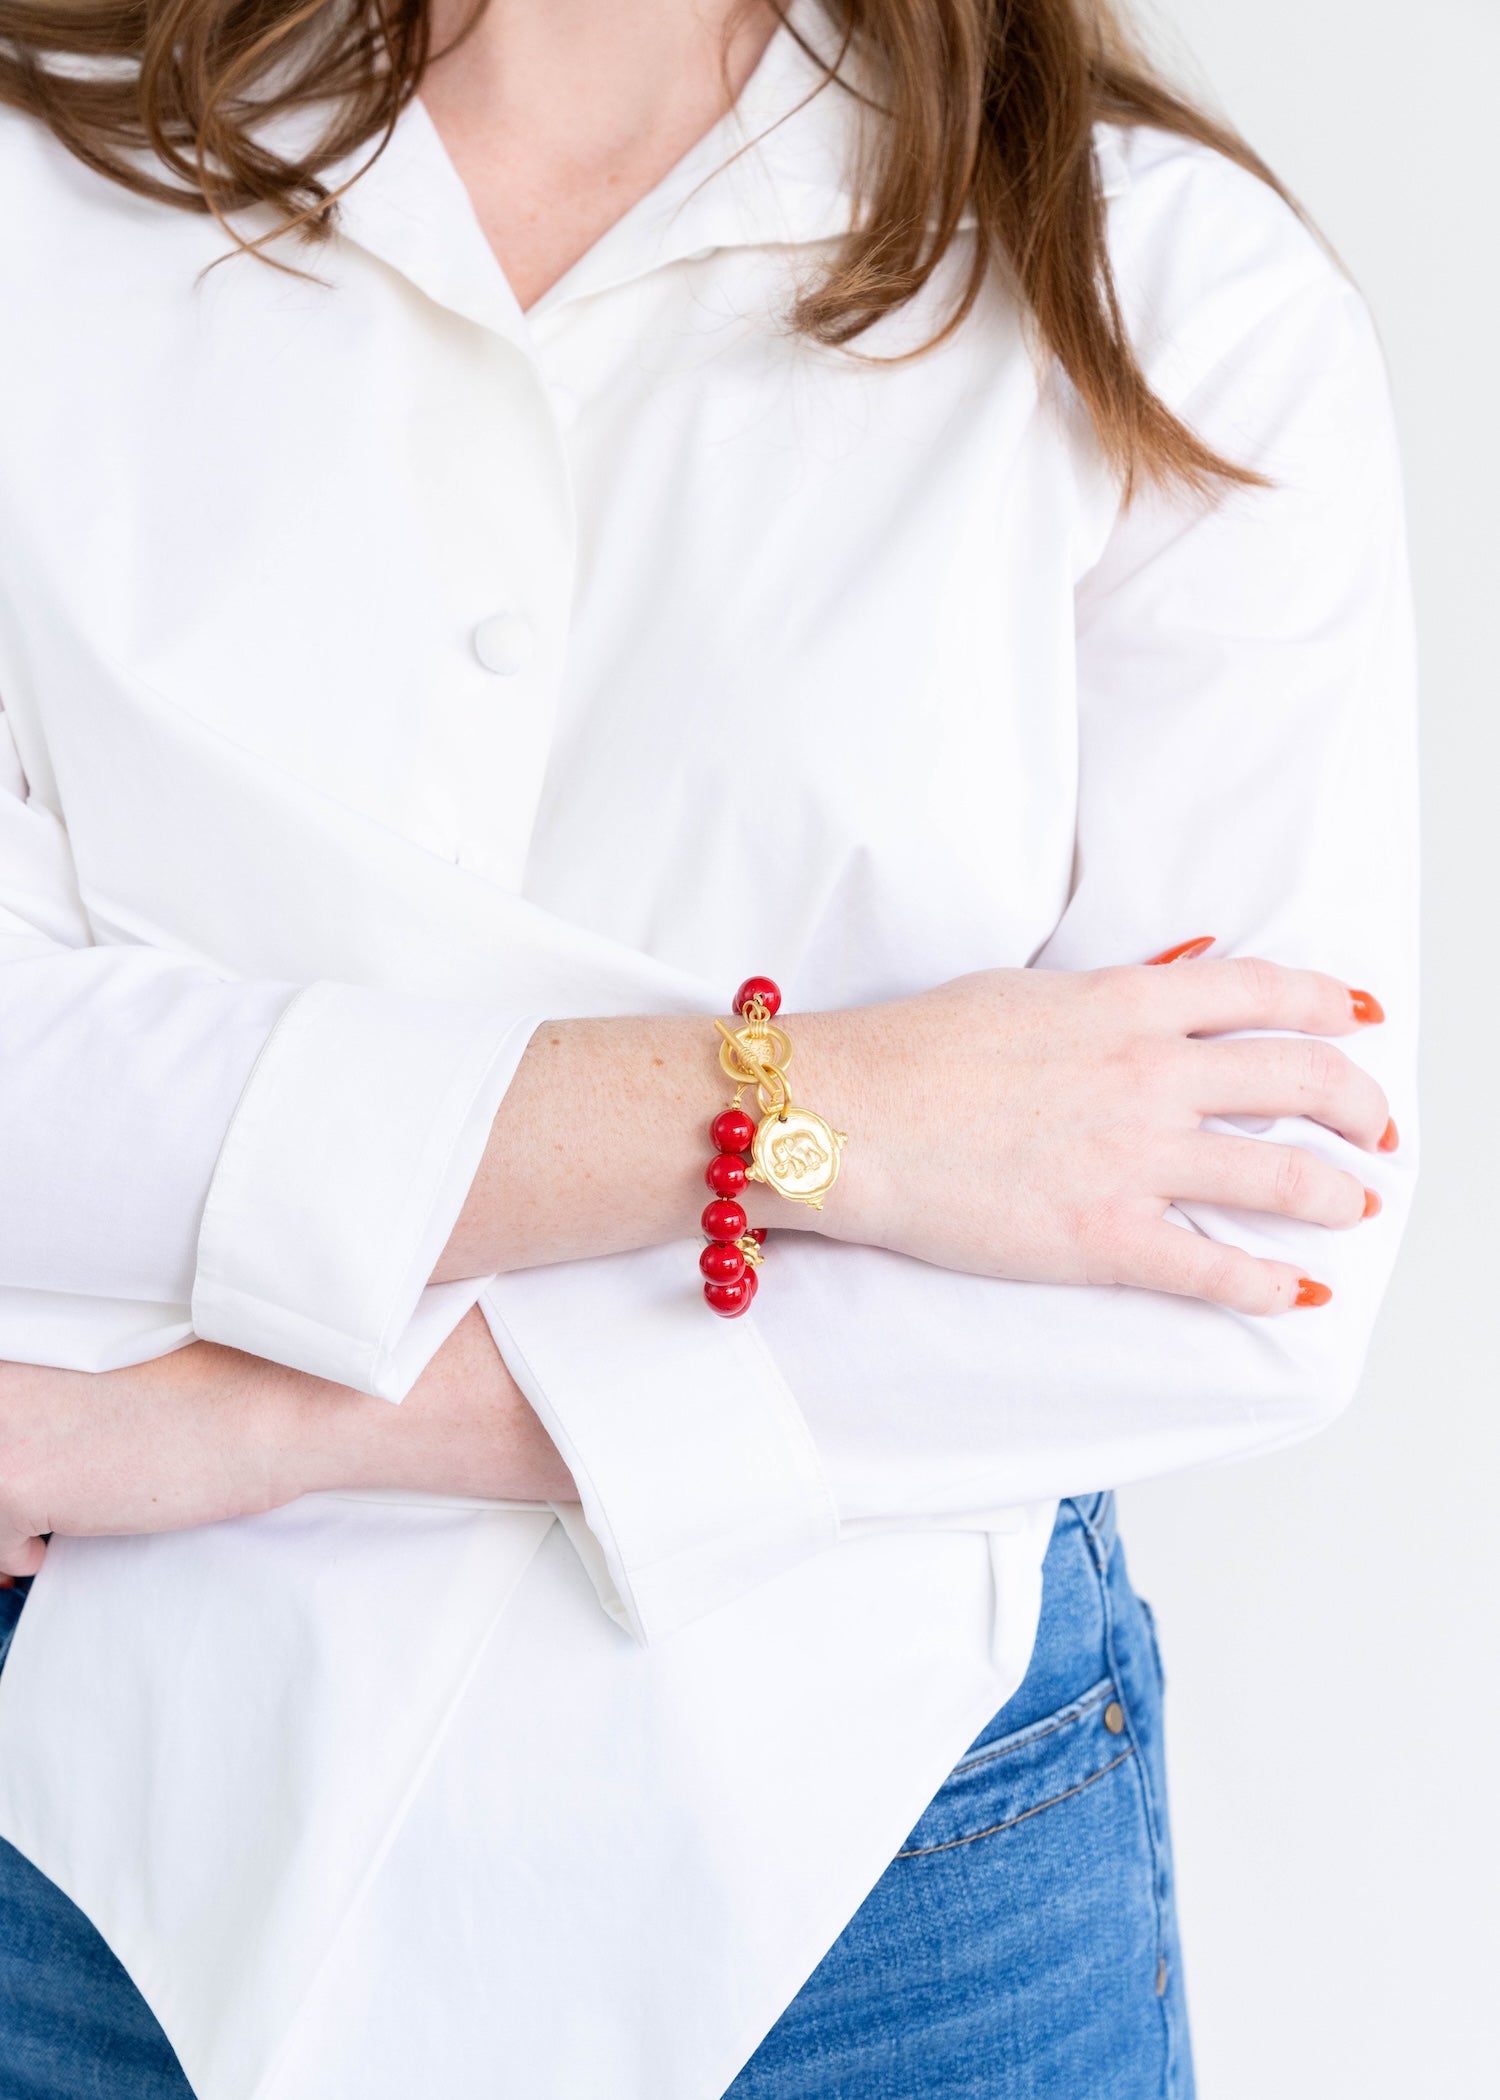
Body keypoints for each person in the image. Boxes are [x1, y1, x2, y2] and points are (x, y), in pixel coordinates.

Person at [0, 0, 1416, 2092]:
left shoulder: (1170, 295)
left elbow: (1248, 1273)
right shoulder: (50, 197)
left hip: (883, 1869)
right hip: (115, 1804)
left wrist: (258, 1419)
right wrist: (837, 1105)